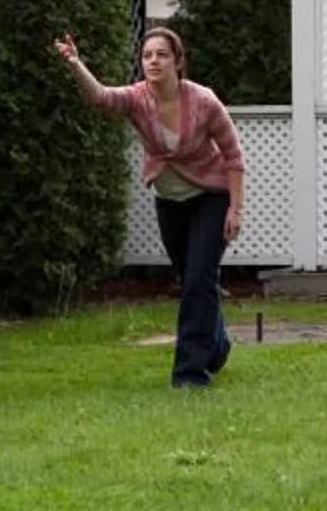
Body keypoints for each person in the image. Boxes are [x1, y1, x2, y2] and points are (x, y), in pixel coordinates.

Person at [56, 24, 246, 387]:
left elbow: (234, 157)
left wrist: (235, 210)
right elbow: (101, 98)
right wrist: (75, 63)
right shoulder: (137, 98)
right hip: (170, 202)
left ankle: (190, 374)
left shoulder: (203, 101)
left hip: (212, 197)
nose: (154, 61)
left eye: (162, 55)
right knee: (194, 282)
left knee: (198, 280)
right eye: (147, 56)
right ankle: (216, 345)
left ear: (177, 61)